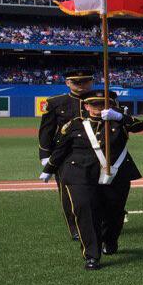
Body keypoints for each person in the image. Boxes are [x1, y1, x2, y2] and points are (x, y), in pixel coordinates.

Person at [38, 90, 143, 270]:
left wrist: (119, 117)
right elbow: (61, 149)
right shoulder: (74, 125)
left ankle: (110, 241)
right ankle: (91, 255)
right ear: (86, 106)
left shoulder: (119, 122)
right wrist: (49, 168)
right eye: (94, 105)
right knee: (85, 211)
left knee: (115, 213)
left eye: (103, 104)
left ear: (111, 106)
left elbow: (140, 126)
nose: (99, 108)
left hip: (115, 174)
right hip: (80, 173)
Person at [37, 68, 93, 241]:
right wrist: (45, 155)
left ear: (91, 82)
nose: (81, 85)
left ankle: (98, 223)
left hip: (94, 152)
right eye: (76, 82)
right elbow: (46, 130)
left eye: (85, 81)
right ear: (68, 83)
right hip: (65, 154)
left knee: (97, 191)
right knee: (68, 193)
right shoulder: (56, 102)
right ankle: (75, 227)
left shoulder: (100, 99)